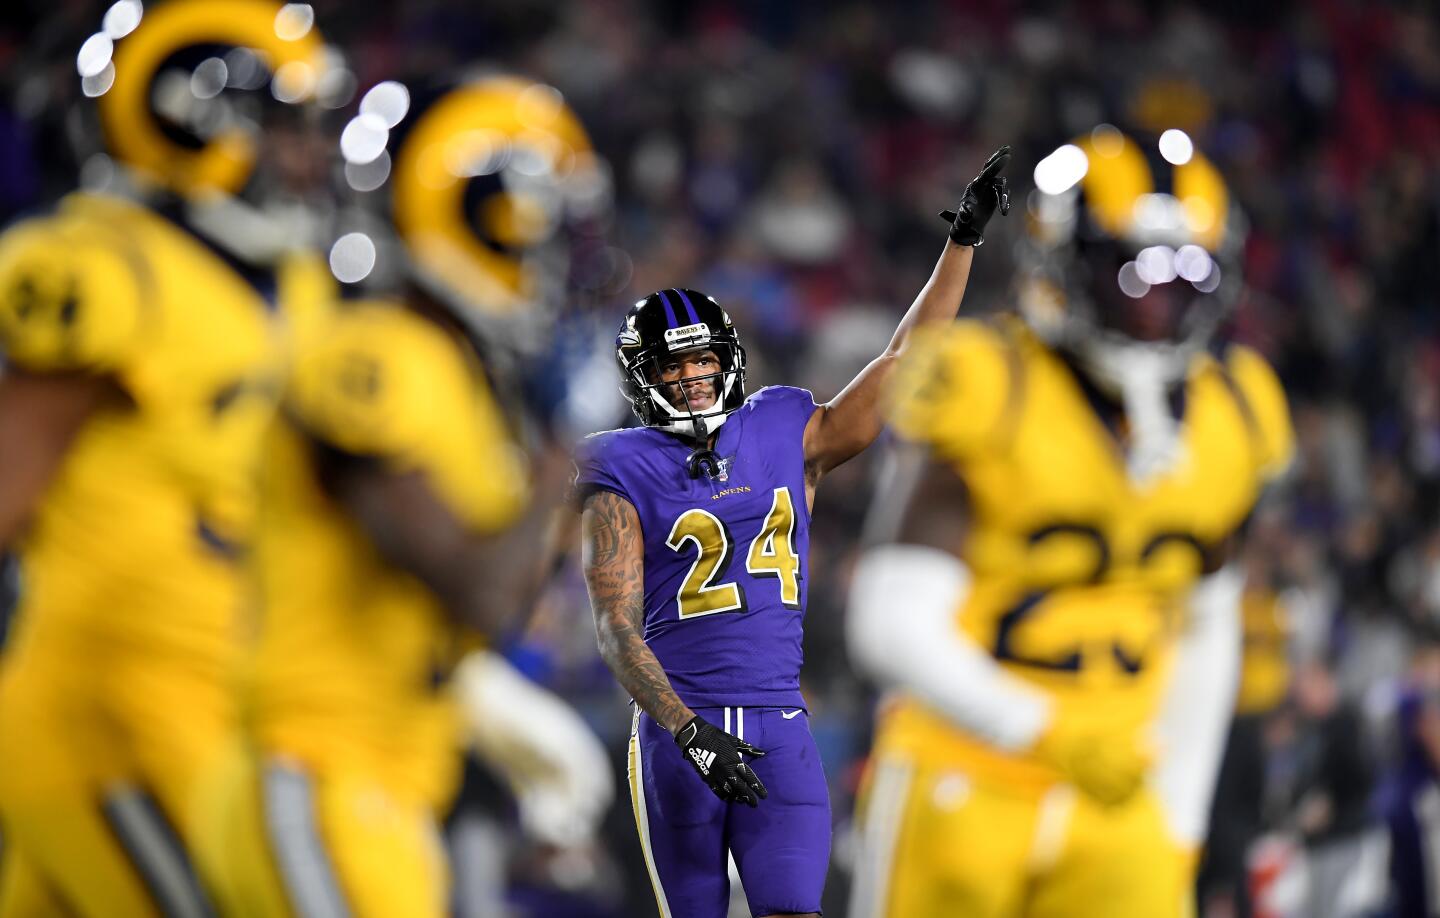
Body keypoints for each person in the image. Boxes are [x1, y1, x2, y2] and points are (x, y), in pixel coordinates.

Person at [845, 126, 1294, 917]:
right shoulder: (990, 383)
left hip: (1121, 792)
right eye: (1132, 275)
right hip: (965, 774)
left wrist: (1180, 808)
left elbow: (1209, 623)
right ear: (1064, 262)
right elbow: (889, 621)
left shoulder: (1234, 414)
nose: (1159, 307)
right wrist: (1038, 729)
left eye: (1187, 276)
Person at [198, 74, 610, 917]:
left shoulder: (454, 381)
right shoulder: (374, 355)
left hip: (384, 781)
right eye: (536, 230)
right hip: (314, 764)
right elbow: (483, 589)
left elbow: (474, 616)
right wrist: (569, 462)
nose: (548, 261)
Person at [576, 146, 1013, 918]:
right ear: (643, 378)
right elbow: (614, 627)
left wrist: (961, 245)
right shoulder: (619, 466)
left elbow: (906, 358)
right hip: (680, 738)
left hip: (781, 723)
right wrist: (687, 732)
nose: (692, 378)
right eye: (672, 368)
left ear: (729, 361)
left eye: (703, 361)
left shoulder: (785, 426)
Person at [0, 2, 334, 914]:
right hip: (105, 709)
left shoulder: (294, 287)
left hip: (216, 694)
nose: (308, 156)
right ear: (200, 113)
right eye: (285, 125)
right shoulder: (105, 264)